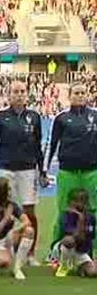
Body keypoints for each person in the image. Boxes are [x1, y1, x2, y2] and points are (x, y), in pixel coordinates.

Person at [0, 81, 48, 267]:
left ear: (26, 94)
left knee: (29, 211)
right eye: (15, 92)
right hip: (5, 169)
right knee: (5, 209)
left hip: (28, 169)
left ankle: (30, 253)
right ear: (8, 95)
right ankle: (4, 248)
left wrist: (42, 170)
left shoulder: (34, 117)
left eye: (22, 91)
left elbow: (38, 147)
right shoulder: (0, 117)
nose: (19, 94)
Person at [47, 82, 97, 247]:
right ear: (69, 96)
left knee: (93, 210)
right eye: (76, 93)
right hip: (67, 172)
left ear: (87, 95)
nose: (80, 95)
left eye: (83, 92)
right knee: (63, 211)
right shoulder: (61, 118)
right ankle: (56, 249)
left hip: (91, 172)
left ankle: (94, 250)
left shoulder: (95, 116)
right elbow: (52, 144)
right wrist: (44, 170)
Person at [0, 178, 35, 280]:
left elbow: (27, 221)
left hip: (8, 238)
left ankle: (17, 268)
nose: (10, 192)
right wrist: (5, 219)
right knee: (4, 262)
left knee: (29, 231)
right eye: (8, 189)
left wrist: (16, 230)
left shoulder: (11, 205)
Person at [49, 188, 97, 278]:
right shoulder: (66, 216)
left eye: (83, 201)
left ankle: (80, 268)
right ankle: (63, 265)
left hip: (81, 251)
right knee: (69, 240)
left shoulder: (91, 218)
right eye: (76, 201)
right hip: (65, 249)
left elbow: (90, 239)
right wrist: (80, 220)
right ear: (70, 203)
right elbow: (75, 237)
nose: (79, 204)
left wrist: (91, 258)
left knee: (93, 272)